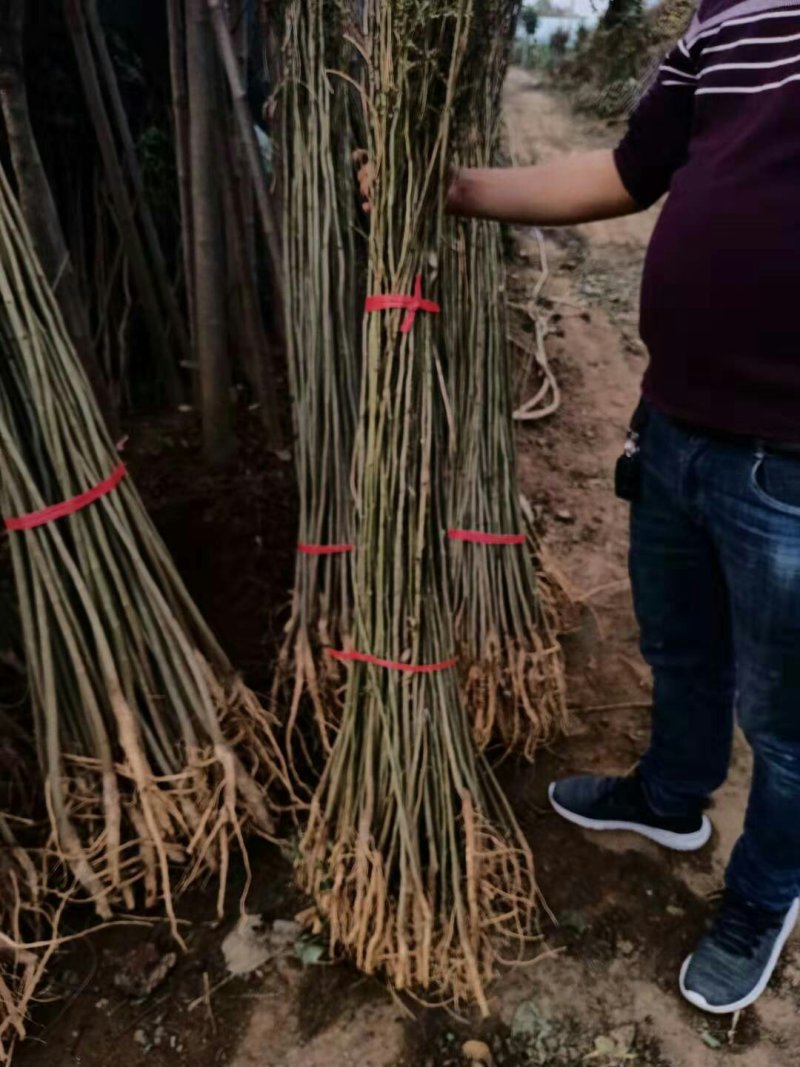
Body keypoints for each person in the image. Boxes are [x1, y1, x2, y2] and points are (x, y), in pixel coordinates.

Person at [447, 0, 800, 1016]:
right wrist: (460, 190)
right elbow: (623, 171)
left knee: (784, 725)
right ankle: (670, 797)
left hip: (788, 465)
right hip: (674, 422)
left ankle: (757, 899)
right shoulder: (724, 21)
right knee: (680, 647)